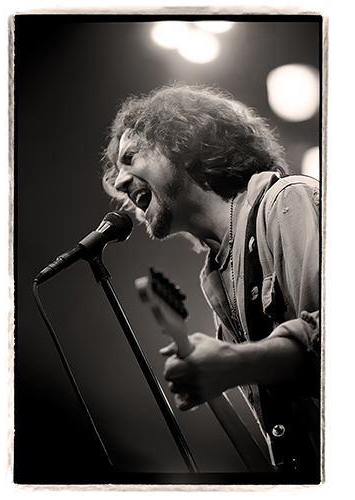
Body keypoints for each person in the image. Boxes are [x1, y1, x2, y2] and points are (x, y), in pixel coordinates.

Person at [101, 83, 320, 479]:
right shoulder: (217, 279)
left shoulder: (288, 200)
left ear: (182, 145)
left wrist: (236, 363)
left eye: (130, 158)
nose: (119, 183)